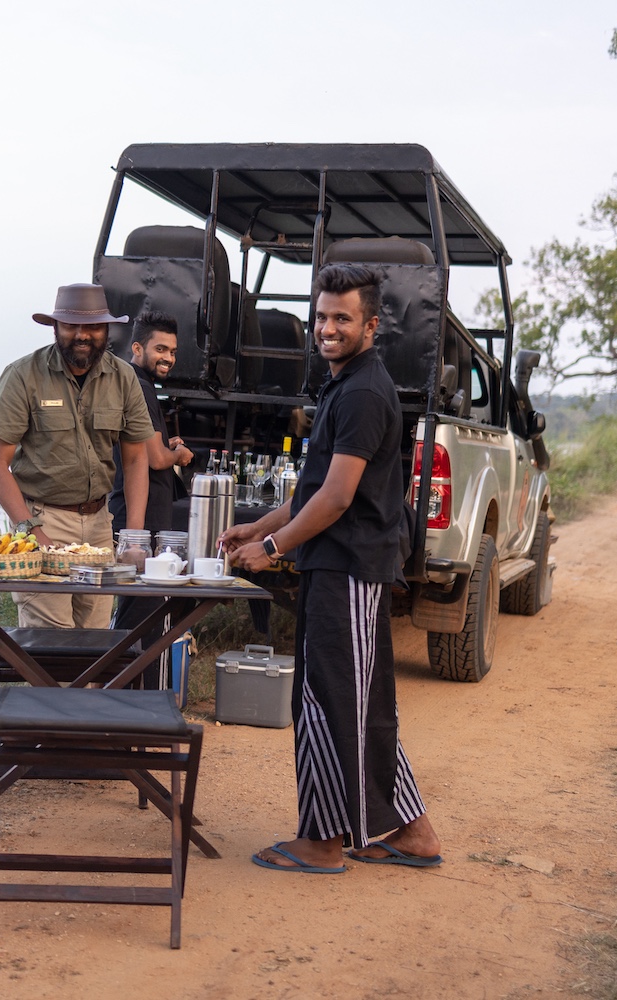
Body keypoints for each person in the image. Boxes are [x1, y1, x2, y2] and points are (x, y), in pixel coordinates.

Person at [220, 262, 443, 873]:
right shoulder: (345, 386)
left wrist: (271, 551)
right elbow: (316, 487)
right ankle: (411, 832)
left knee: (329, 701)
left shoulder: (366, 392)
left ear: (371, 325)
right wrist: (260, 524)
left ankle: (321, 842)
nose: (327, 328)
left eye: (342, 318)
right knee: (358, 703)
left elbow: (338, 498)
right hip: (342, 568)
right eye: (321, 316)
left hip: (348, 570)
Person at [0, 283, 154, 629]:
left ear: (106, 330)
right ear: (55, 327)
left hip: (99, 526)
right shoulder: (23, 375)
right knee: (51, 643)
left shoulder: (124, 378)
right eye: (71, 326)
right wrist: (31, 532)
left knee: (95, 643)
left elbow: (136, 460)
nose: (82, 335)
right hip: (43, 519)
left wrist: (134, 538)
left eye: (92, 327)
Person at [107, 310, 195, 534]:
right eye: (160, 349)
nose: (169, 358)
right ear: (137, 348)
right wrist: (179, 455)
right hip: (140, 522)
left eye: (173, 351)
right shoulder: (141, 388)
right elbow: (156, 460)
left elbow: (142, 446)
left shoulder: (130, 381)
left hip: (130, 517)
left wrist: (166, 443)